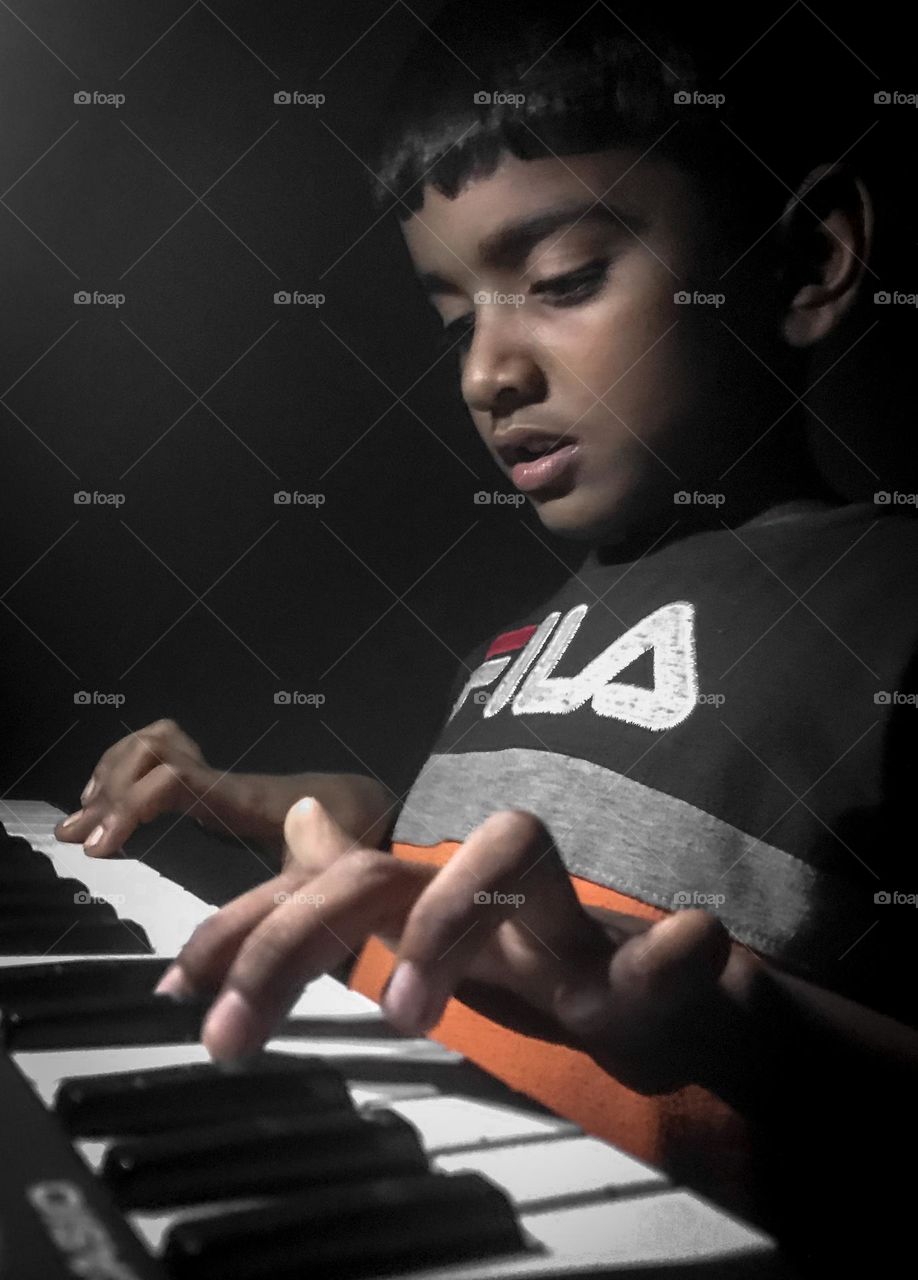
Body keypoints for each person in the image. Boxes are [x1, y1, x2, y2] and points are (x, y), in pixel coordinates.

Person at [54, 2, 918, 1271]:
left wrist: (737, 1016)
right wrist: (291, 811)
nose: (484, 373)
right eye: (457, 319)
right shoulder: (525, 635)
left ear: (810, 260)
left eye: (562, 279)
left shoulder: (894, 591)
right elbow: (461, 868)